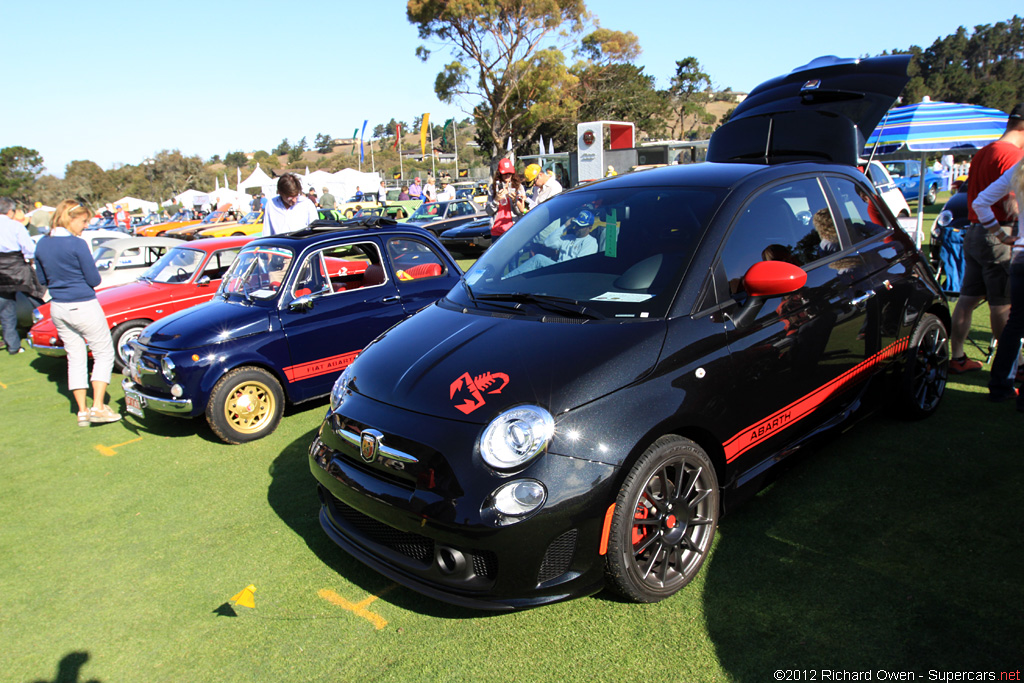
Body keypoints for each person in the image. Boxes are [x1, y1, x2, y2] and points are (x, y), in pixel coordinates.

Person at [949, 104, 1024, 373]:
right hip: (998, 233)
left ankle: (957, 357)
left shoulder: (985, 151)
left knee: (967, 299)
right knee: (1002, 305)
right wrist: (1006, 232)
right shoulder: (1013, 155)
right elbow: (1012, 204)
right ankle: (1010, 368)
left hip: (975, 231)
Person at [33, 200, 121, 426]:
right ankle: (98, 407)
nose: (84, 226)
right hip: (83, 304)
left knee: (75, 356)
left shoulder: (42, 243)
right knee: (103, 352)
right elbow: (94, 279)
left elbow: (42, 280)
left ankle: (82, 410)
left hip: (59, 307)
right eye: (83, 222)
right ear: (71, 219)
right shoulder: (77, 244)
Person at [974, 157, 1024, 406]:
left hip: (1020, 256)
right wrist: (1001, 235)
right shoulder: (1017, 168)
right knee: (1015, 324)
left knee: (1015, 325)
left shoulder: (1020, 168)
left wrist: (1001, 234)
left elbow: (980, 202)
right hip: (1019, 253)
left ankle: (1000, 386)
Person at [506, 207, 598, 276]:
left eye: (581, 226)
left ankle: (506, 279)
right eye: (576, 225)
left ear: (590, 227)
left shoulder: (590, 242)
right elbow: (548, 242)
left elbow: (578, 266)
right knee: (536, 264)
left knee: (538, 259)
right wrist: (565, 226)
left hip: (569, 274)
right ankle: (508, 280)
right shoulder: (569, 237)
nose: (577, 228)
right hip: (558, 269)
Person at [0, 197, 37, 354]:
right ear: (10, 211)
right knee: (38, 297)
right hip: (17, 268)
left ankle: (13, 346)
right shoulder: (15, 226)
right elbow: (29, 249)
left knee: (6, 307)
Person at [485, 158, 526, 240]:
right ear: (500, 173)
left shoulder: (519, 187)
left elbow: (521, 212)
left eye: (510, 173)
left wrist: (515, 201)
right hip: (496, 230)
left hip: (513, 229)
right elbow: (488, 212)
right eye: (505, 173)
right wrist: (496, 200)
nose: (507, 175)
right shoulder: (493, 188)